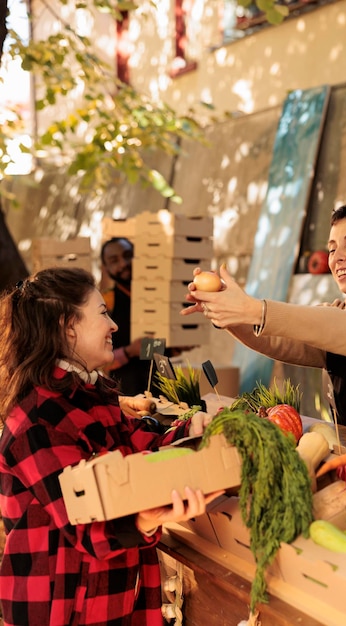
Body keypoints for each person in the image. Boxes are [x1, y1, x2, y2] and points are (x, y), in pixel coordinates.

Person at [0, 267, 221, 626]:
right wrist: (144, 518)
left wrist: (193, 433)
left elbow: (141, 445)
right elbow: (85, 523)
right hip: (61, 612)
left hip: (110, 602)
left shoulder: (89, 396)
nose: (113, 325)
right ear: (67, 325)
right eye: (102, 313)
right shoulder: (39, 419)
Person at [181, 202, 346, 427]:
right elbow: (281, 339)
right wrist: (227, 313)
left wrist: (253, 309)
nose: (337, 257)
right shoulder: (340, 313)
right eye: (332, 248)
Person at [100, 237, 152, 396]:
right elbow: (99, 361)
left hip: (160, 388)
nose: (123, 264)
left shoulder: (154, 298)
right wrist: (129, 351)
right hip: (126, 394)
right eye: (114, 260)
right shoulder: (106, 302)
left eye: (128, 255)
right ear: (106, 268)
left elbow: (160, 350)